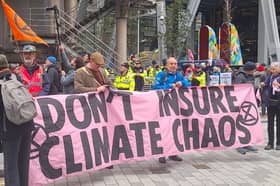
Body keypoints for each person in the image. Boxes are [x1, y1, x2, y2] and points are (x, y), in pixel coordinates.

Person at [0, 54, 34, 186]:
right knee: (23, 163)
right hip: (27, 123)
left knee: (11, 166)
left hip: (10, 129)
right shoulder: (16, 77)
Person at [152, 57, 191, 163]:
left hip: (176, 107)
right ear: (166, 65)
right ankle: (162, 154)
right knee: (163, 130)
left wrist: (182, 84)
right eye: (171, 64)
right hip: (163, 107)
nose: (174, 65)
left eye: (175, 63)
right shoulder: (161, 75)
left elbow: (189, 84)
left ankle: (173, 153)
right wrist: (170, 86)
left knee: (176, 129)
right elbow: (155, 87)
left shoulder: (179, 74)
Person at [234, 61, 258, 154]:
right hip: (241, 104)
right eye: (253, 69)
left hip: (249, 103)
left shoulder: (250, 76)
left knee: (247, 124)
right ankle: (239, 145)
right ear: (249, 70)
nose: (254, 71)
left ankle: (247, 143)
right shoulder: (240, 77)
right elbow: (237, 90)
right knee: (239, 124)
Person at [261, 62, 280, 150]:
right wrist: (263, 84)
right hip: (270, 102)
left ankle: (279, 143)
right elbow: (266, 84)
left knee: (279, 124)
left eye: (274, 69)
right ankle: (270, 143)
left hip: (278, 102)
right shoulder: (270, 76)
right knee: (270, 124)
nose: (272, 70)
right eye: (271, 69)